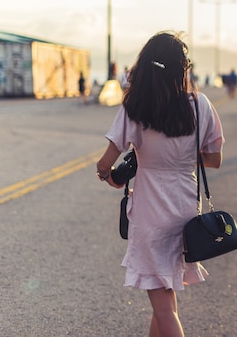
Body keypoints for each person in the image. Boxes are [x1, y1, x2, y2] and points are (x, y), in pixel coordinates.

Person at [96, 31, 225, 337]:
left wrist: (109, 174)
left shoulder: (135, 108)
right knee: (165, 301)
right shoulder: (199, 105)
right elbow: (214, 158)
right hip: (184, 209)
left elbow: (105, 164)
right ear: (183, 68)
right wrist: (177, 161)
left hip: (151, 215)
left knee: (164, 308)